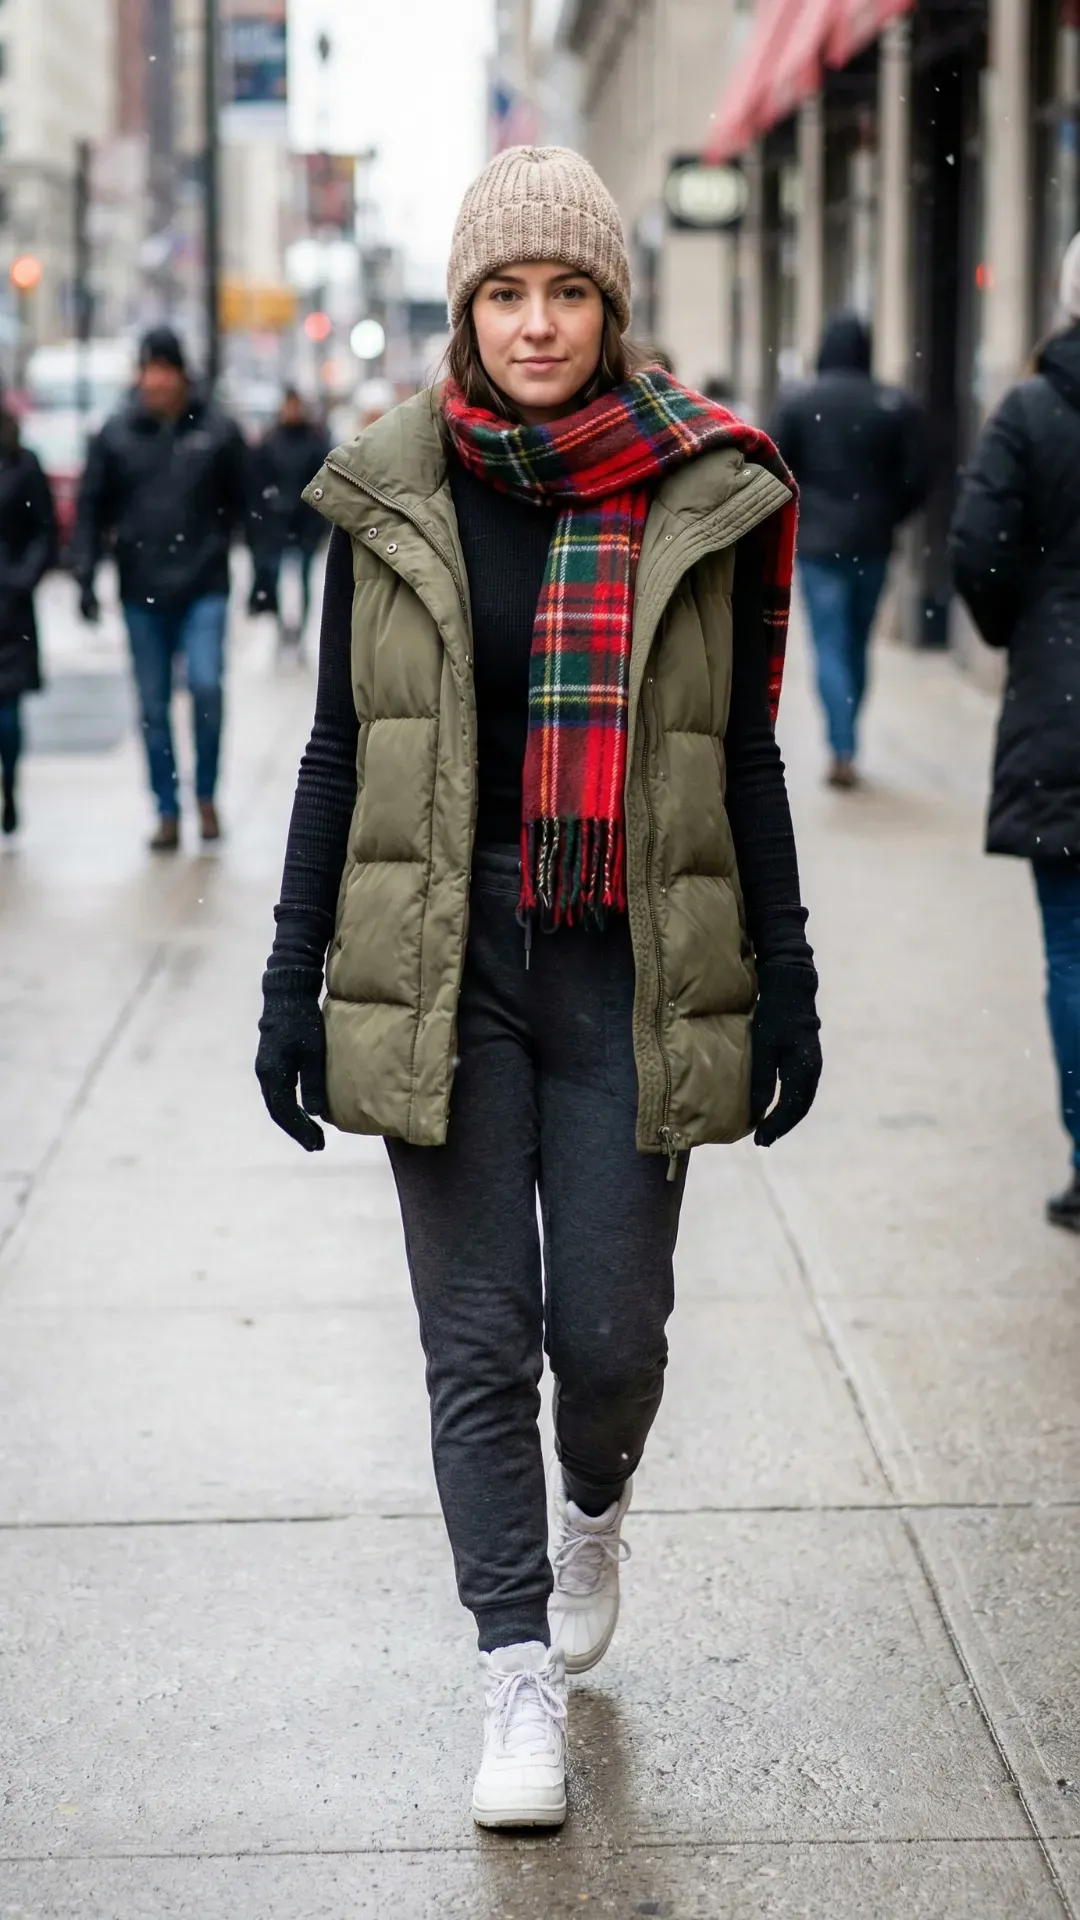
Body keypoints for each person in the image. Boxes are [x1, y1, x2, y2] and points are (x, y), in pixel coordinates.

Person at [255, 146, 822, 1831]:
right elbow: (341, 749)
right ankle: (513, 1675)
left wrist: (783, 975)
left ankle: (596, 1502)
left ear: (611, 308)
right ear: (464, 309)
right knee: (479, 1338)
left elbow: (739, 759)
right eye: (506, 292)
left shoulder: (699, 486)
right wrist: (295, 979)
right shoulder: (392, 489)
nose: (537, 322)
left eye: (567, 290)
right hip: (444, 959)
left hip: (632, 957)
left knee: (612, 1338)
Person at [950, 233, 1080, 1233]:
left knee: (1073, 951)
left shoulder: (1032, 412)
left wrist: (1025, 635)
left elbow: (980, 554)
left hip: (1062, 706)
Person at [74, 326, 250, 850]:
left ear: (180, 373)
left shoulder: (217, 431)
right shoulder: (117, 433)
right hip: (141, 589)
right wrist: (85, 573)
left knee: (205, 687)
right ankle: (167, 808)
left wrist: (263, 572)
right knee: (152, 706)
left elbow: (246, 503)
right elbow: (90, 508)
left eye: (162, 370)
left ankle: (205, 797)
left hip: (204, 586)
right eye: (146, 370)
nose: (154, 381)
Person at [771, 311, 929, 787]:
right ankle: (847, 736)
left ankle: (842, 745)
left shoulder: (800, 401)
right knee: (857, 644)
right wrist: (887, 515)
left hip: (819, 545)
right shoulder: (894, 405)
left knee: (830, 645)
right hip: (873, 543)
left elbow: (773, 466)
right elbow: (918, 476)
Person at [0, 402, 57, 837]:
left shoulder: (22, 463)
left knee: (8, 711)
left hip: (9, 605)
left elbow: (44, 528)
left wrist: (22, 578)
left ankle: (10, 788)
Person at [249, 388, 329, 649]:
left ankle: (299, 632)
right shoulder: (271, 441)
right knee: (278, 578)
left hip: (304, 523)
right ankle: (284, 628)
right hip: (278, 524)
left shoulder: (313, 440)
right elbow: (258, 481)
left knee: (303, 579)